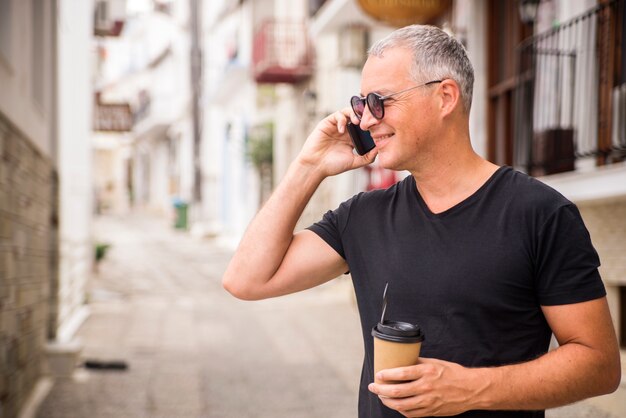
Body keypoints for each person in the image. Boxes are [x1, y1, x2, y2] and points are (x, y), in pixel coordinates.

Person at [222, 24, 621, 418]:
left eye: (379, 101)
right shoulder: (362, 217)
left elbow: (599, 366)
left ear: (445, 96)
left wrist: (470, 390)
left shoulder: (540, 214)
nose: (364, 120)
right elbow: (246, 279)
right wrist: (309, 165)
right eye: (360, 104)